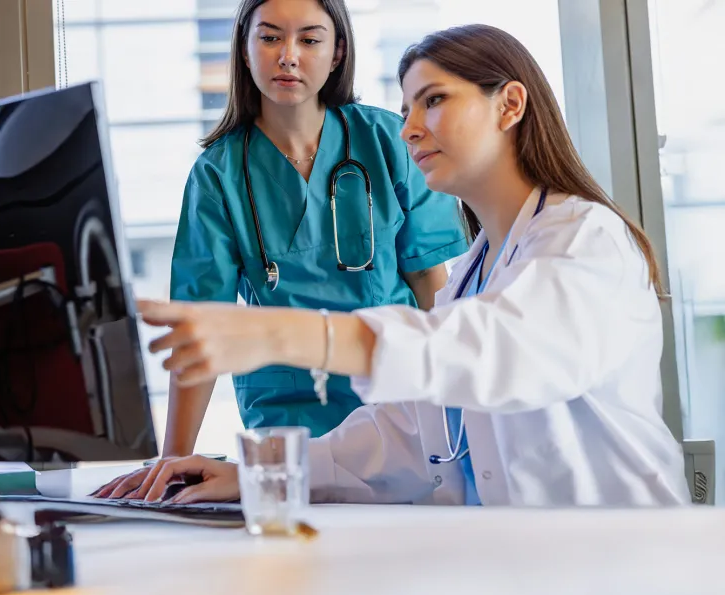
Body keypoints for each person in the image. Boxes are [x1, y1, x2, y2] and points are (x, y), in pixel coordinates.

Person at [122, 24, 690, 507]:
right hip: (525, 563)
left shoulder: (584, 239)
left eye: (434, 100)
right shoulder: (475, 272)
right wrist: (253, 470)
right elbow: (408, 431)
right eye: (406, 109)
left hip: (623, 561)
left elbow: (491, 348)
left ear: (510, 105)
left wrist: (280, 332)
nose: (410, 127)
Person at [96, 0, 468, 498]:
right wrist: (170, 462)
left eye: (309, 40)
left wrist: (461, 409)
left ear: (337, 53)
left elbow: (433, 289)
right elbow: (203, 324)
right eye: (270, 37)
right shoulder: (218, 174)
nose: (288, 56)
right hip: (285, 422)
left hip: (395, 410)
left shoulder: (387, 141)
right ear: (245, 51)